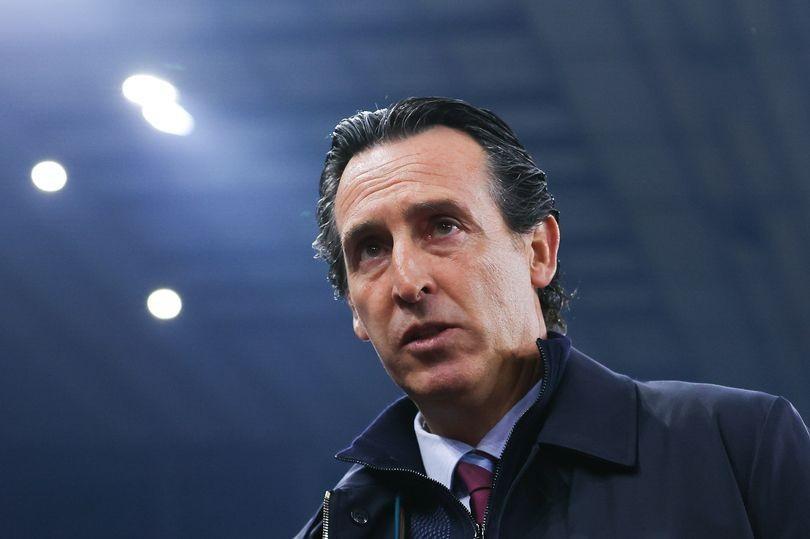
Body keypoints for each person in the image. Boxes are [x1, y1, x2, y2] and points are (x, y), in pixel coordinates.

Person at [295, 97, 810, 538]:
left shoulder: (736, 449)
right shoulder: (335, 531)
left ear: (538, 251)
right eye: (371, 249)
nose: (408, 282)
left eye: (444, 226)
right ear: (354, 308)